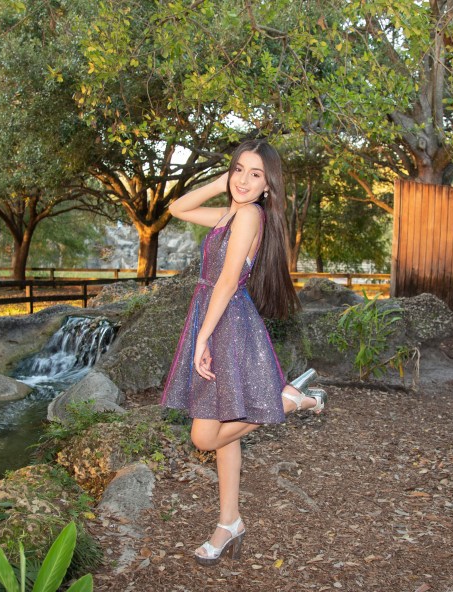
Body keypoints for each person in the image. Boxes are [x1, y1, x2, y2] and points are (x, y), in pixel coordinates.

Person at [161, 139, 327, 566]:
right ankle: (229, 521)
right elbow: (177, 208)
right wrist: (224, 181)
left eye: (257, 175)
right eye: (239, 170)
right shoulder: (231, 213)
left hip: (227, 325)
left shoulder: (250, 215)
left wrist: (202, 338)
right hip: (218, 318)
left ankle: (288, 401)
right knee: (225, 430)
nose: (244, 180)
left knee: (204, 436)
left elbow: (227, 280)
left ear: (269, 185)